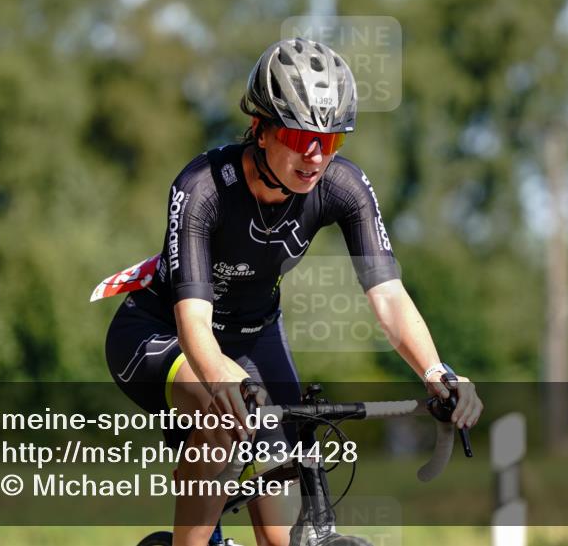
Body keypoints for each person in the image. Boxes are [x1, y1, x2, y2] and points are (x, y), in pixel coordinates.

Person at [105, 38, 483, 546]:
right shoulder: (201, 188)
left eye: (329, 142)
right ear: (260, 129)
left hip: (256, 336)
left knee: (283, 532)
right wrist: (228, 383)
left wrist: (437, 372)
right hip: (161, 334)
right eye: (299, 135)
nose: (314, 155)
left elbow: (389, 296)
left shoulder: (343, 187)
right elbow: (195, 323)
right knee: (227, 418)